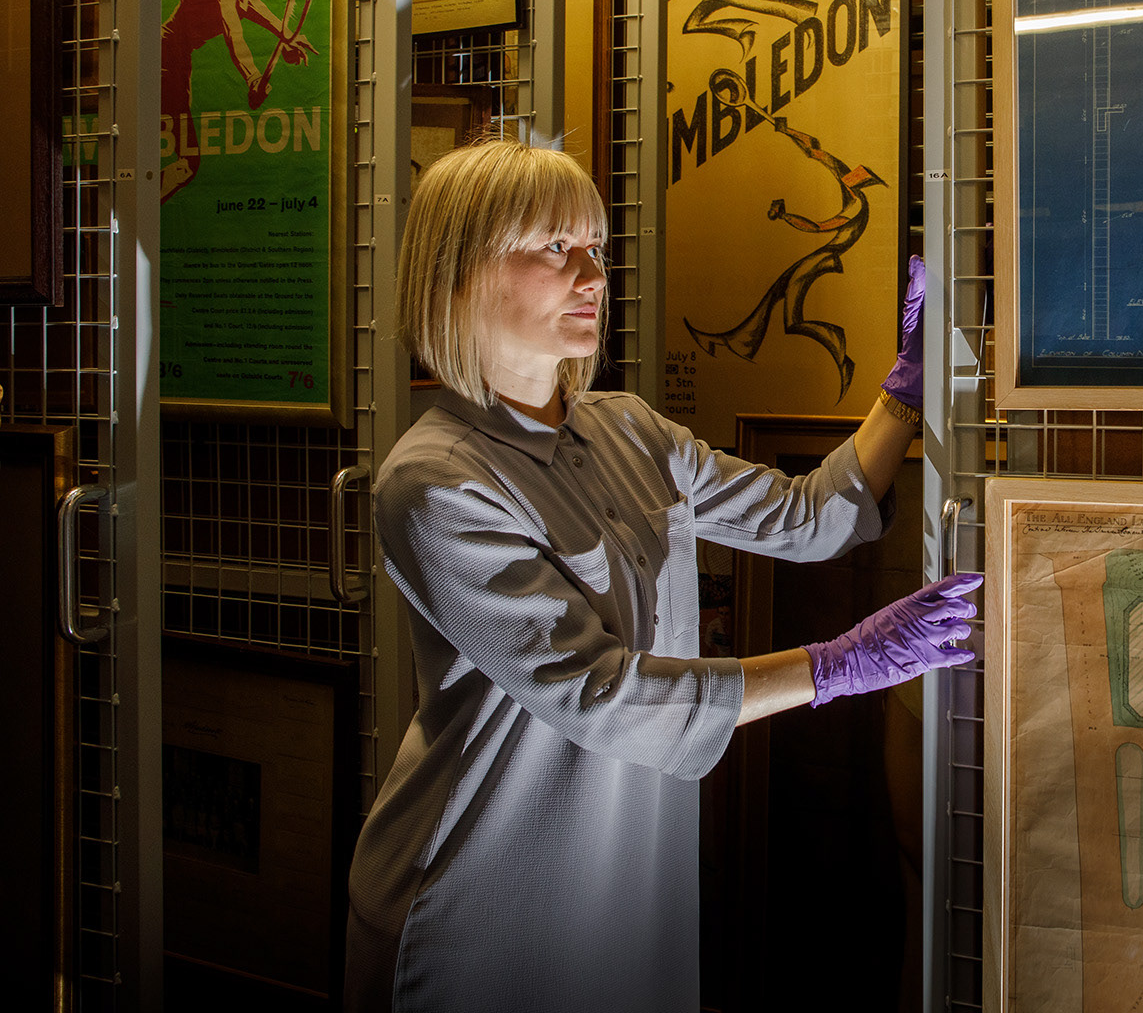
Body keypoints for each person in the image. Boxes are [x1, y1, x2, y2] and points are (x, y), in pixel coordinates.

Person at [343, 138, 976, 1010]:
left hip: (631, 885)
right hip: (483, 898)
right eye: (554, 247)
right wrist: (839, 666)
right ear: (458, 274)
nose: (592, 274)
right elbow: (601, 693)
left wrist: (906, 391)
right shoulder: (434, 482)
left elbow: (807, 517)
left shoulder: (629, 428)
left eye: (595, 247)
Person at [158, 0, 317, 202]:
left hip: (175, 60)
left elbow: (247, 3)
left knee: (184, 163)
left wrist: (286, 35)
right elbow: (233, 28)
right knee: (182, 162)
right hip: (162, 60)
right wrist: (253, 77)